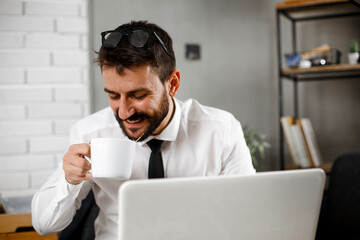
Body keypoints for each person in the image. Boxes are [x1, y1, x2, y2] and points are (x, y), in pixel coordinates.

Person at [32, 20, 255, 240]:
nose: (123, 112)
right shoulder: (91, 131)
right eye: (113, 96)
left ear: (173, 84)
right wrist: (69, 181)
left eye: (138, 95)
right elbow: (44, 225)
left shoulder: (221, 130)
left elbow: (248, 214)